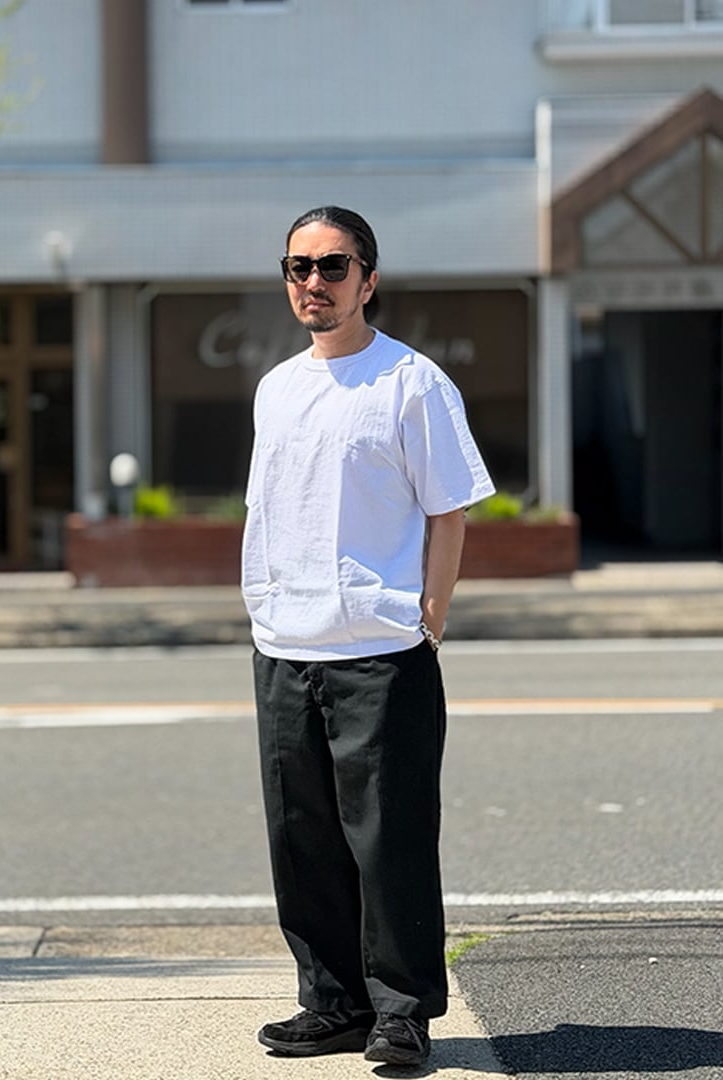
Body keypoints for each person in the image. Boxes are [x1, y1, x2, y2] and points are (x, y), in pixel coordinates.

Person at [242, 206, 495, 1066]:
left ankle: (402, 1012)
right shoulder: (277, 388)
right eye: (298, 267)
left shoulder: (412, 382)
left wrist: (431, 616)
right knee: (302, 839)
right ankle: (334, 1004)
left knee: (390, 840)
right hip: (286, 647)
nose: (313, 282)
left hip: (380, 653)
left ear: (368, 279)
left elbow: (449, 510)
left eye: (333, 266)